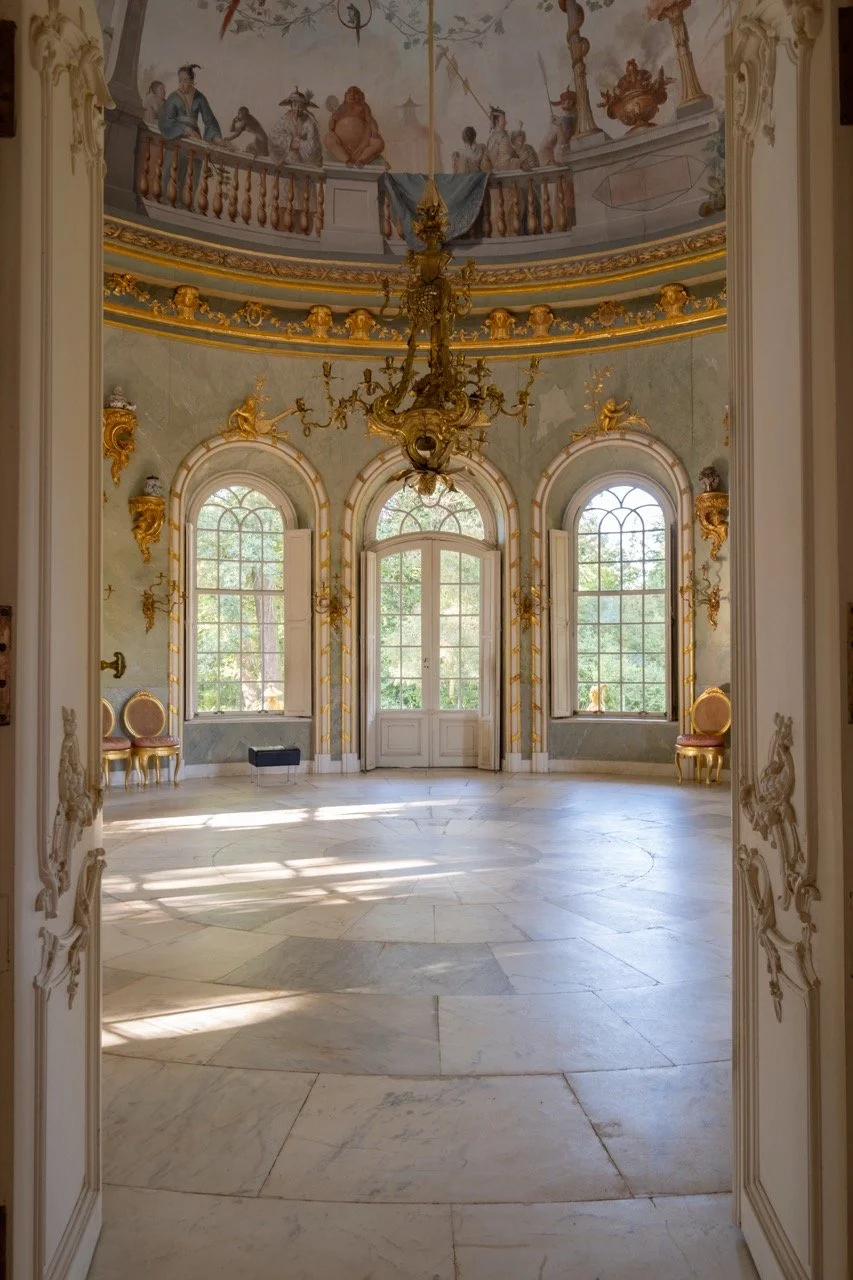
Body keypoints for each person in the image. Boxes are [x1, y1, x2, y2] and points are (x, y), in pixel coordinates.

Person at [158, 64, 222, 143]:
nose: (181, 84)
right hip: (177, 136)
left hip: (194, 138)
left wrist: (216, 137)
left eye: (185, 81)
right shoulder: (173, 97)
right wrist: (186, 129)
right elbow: (166, 120)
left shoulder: (200, 97)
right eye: (180, 81)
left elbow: (210, 121)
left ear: (192, 81)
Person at [324, 85, 385, 166]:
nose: (352, 95)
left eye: (355, 93)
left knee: (378, 143)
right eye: (349, 92)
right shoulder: (341, 108)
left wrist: (375, 131)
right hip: (343, 145)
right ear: (345, 95)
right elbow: (331, 128)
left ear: (361, 96)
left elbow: (370, 120)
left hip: (362, 144)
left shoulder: (364, 107)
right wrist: (332, 119)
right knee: (328, 139)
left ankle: (361, 160)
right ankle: (347, 160)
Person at [270, 88, 323, 166]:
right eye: (295, 105)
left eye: (300, 106)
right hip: (285, 158)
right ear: (291, 105)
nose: (297, 109)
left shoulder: (310, 122)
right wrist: (290, 142)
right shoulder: (285, 119)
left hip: (304, 160)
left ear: (304, 107)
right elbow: (274, 136)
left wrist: (300, 144)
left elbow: (314, 145)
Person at [539, 86, 577, 166]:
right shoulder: (557, 122)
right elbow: (545, 146)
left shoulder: (579, 119)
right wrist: (549, 161)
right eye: (564, 101)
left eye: (569, 100)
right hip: (562, 160)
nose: (567, 102)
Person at [484, 105, 516, 172]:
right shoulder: (504, 138)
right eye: (503, 120)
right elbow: (505, 163)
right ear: (496, 122)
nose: (506, 123)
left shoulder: (490, 139)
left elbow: (485, 162)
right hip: (505, 173)